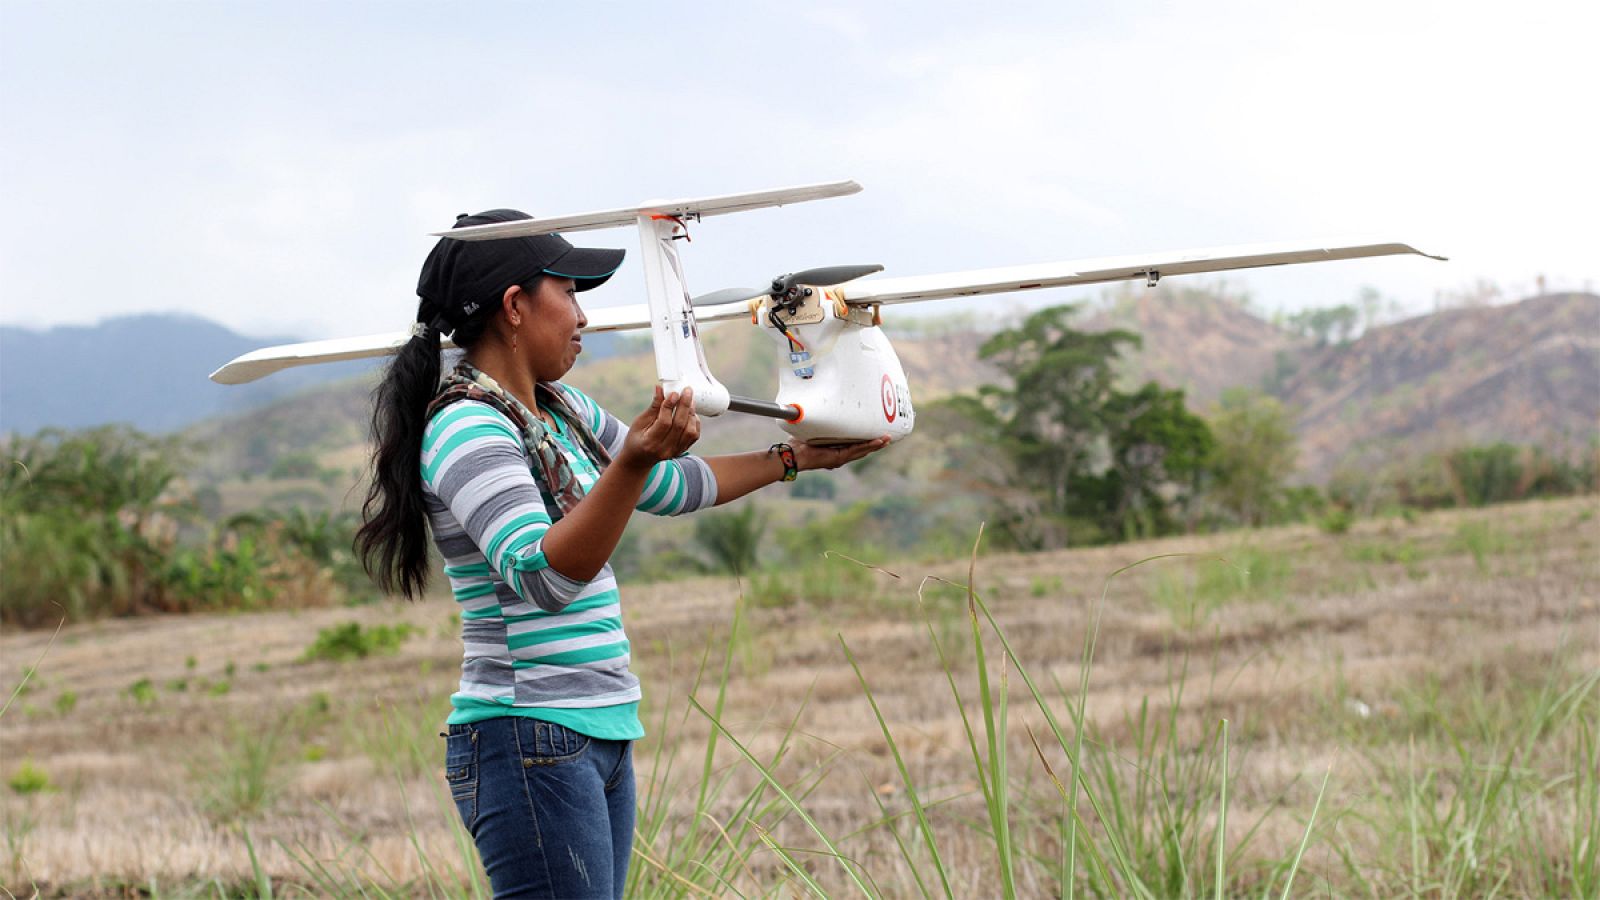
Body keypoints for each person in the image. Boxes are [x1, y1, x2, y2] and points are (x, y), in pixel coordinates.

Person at [355, 209, 889, 899]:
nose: (583, 316)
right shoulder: (465, 425)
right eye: (569, 292)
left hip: (593, 730)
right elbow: (543, 574)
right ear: (515, 306)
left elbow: (669, 483)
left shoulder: (562, 409)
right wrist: (631, 463)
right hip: (528, 735)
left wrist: (791, 458)